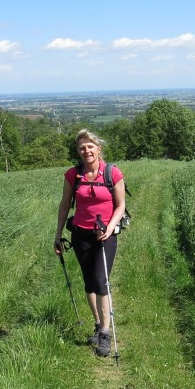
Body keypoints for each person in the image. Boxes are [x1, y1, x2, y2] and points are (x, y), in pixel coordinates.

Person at [54, 129, 126, 357]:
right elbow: (65, 205)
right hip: (80, 234)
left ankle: (105, 334)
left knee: (101, 281)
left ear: (98, 148)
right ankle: (97, 324)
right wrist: (58, 235)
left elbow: (120, 205)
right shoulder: (73, 175)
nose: (86, 151)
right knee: (88, 282)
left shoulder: (112, 173)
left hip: (105, 234)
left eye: (90, 146)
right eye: (82, 148)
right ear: (79, 151)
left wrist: (111, 225)